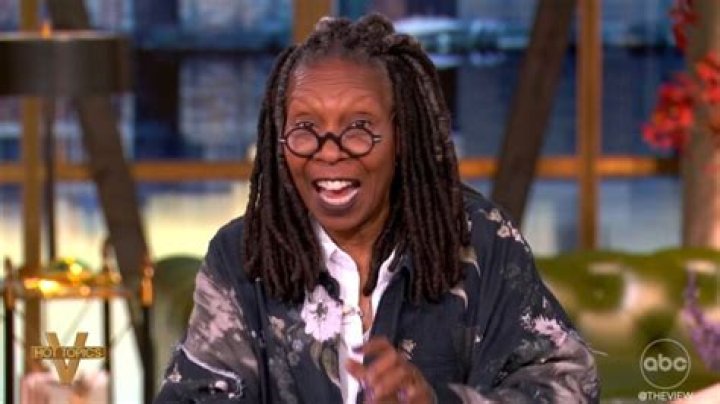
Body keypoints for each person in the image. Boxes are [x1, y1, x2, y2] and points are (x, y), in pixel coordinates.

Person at [155, 14, 599, 404]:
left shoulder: (478, 238)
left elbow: (570, 387)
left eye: (359, 128)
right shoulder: (243, 255)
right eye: (306, 128)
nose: (330, 152)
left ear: (401, 136)